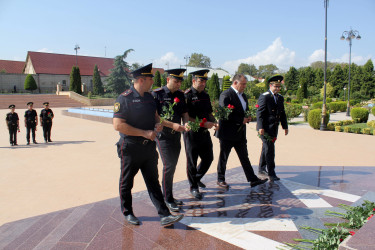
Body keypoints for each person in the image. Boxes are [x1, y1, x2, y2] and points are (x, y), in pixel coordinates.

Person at [113, 63, 185, 227]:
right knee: (127, 182)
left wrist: (162, 125)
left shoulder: (149, 97)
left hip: (148, 148)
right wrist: (144, 133)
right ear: (140, 80)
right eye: (150, 78)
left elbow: (156, 118)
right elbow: (118, 125)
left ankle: (164, 215)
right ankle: (128, 212)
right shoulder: (124, 98)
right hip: (130, 147)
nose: (153, 81)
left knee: (153, 181)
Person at [215, 74, 268, 188]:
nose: (244, 86)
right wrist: (240, 119)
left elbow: (245, 109)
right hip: (227, 133)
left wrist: (248, 117)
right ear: (235, 83)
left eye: (245, 84)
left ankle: (252, 179)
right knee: (224, 157)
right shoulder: (226, 94)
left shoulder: (243, 96)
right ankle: (220, 179)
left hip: (240, 133)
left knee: (244, 156)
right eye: (243, 84)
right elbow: (224, 113)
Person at [152, 68, 189, 212]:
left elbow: (185, 113)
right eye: (176, 81)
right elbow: (155, 116)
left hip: (176, 136)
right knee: (168, 166)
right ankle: (167, 199)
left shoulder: (180, 95)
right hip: (163, 137)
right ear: (168, 80)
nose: (179, 84)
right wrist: (172, 125)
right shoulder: (157, 94)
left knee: (172, 166)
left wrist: (186, 123)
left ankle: (169, 196)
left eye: (180, 81)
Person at [184, 69, 218, 200]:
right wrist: (203, 124)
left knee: (208, 158)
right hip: (192, 133)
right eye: (201, 80)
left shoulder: (205, 95)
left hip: (204, 133)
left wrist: (215, 122)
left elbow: (209, 113)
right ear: (194, 81)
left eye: (205, 81)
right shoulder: (186, 95)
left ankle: (196, 178)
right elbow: (186, 118)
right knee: (192, 161)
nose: (203, 83)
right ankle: (194, 187)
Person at [256, 75, 288, 181]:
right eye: (275, 86)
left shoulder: (280, 98)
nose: (277, 89)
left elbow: (282, 113)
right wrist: (260, 127)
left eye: (279, 87)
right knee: (270, 149)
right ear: (270, 85)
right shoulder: (265, 96)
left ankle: (261, 169)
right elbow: (259, 112)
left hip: (274, 128)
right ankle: (271, 173)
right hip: (265, 128)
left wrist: (285, 126)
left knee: (266, 147)